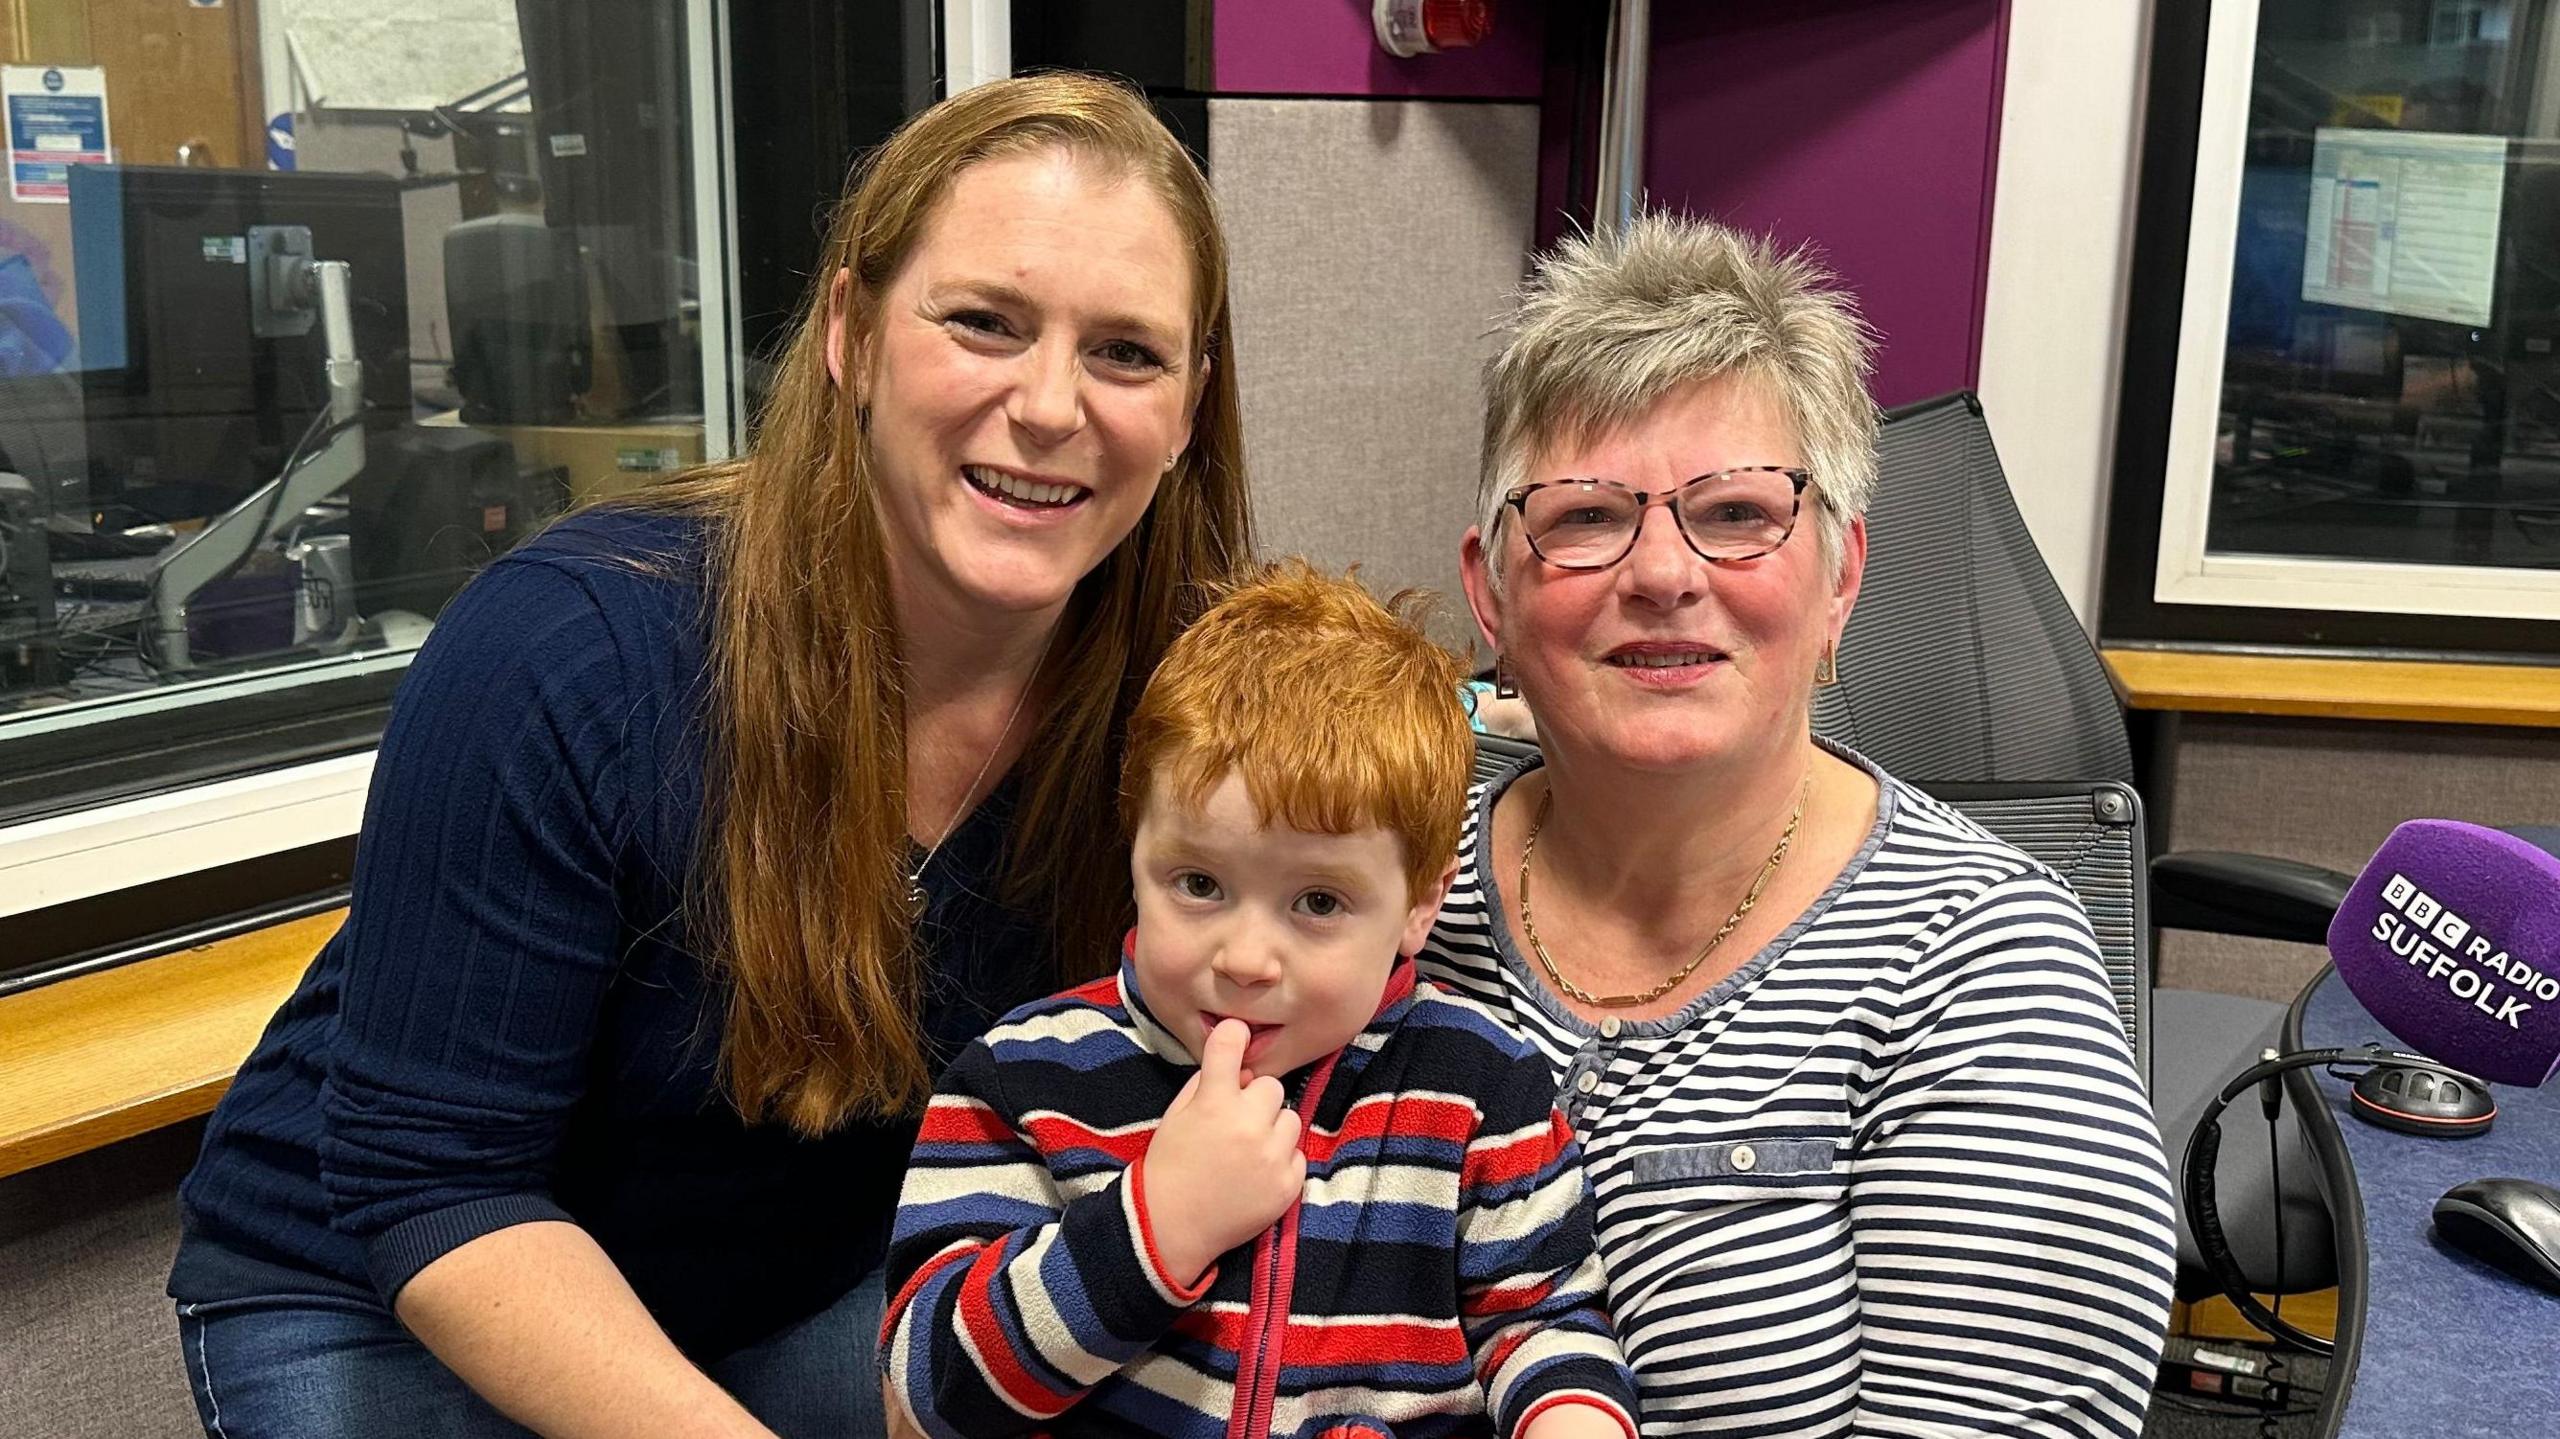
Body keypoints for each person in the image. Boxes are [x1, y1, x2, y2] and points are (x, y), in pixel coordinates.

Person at [166, 72, 1251, 1439]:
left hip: (779, 1299)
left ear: (1192, 402)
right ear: (853, 332)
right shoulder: (570, 647)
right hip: (397, 1292)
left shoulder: (1185, 702)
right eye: (984, 322)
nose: (1050, 406)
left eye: (1126, 353)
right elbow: (430, 1184)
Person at [1426, 215, 2178, 1437]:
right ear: (1489, 591)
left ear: (1840, 579)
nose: (1663, 572)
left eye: (1733, 512)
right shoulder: (1368, 866)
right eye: (1581, 515)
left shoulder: (1979, 959)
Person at [880, 564, 1640, 1439]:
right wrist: (1156, 1224)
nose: (1244, 959)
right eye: (1198, 883)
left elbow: (1545, 1325)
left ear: (1421, 904)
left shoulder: (1480, 1086)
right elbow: (930, 1391)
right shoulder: (1025, 1075)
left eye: (1317, 903)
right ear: (1136, 850)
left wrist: (1570, 1415)